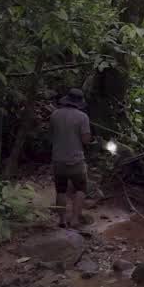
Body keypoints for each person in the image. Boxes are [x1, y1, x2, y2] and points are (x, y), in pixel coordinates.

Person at [49, 88, 92, 228]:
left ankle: (61, 220)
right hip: (76, 160)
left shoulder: (54, 115)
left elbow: (51, 135)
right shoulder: (82, 117)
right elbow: (86, 140)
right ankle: (74, 220)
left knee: (60, 190)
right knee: (81, 189)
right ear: (79, 102)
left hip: (58, 159)